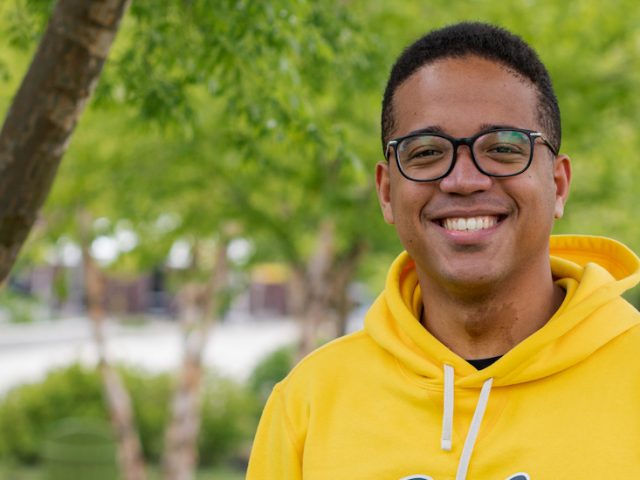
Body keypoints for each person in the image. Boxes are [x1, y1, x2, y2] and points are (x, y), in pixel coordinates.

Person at [246, 22, 640, 479]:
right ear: (387, 193)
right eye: (427, 152)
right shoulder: (308, 404)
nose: (463, 179)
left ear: (558, 183)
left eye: (503, 148)